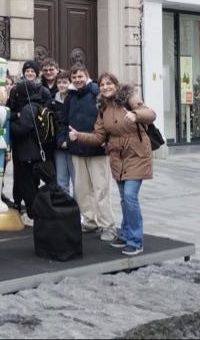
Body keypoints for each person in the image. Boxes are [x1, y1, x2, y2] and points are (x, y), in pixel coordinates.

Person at [69, 73, 155, 256]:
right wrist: (79, 136)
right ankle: (125, 234)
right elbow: (99, 137)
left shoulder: (130, 98)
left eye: (109, 84)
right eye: (102, 84)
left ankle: (135, 241)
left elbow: (151, 114)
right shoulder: (103, 107)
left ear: (116, 85)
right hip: (118, 157)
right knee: (124, 198)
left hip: (136, 155)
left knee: (130, 196)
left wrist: (136, 115)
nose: (105, 87)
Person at [56, 64, 116, 241]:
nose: (77, 80)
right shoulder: (70, 97)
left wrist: (107, 141)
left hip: (98, 150)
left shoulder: (98, 93)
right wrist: (62, 139)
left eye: (80, 76)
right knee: (82, 190)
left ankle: (108, 226)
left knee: (101, 190)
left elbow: (109, 118)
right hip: (77, 150)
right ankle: (89, 221)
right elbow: (63, 121)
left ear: (87, 76)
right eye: (74, 77)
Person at [7, 60, 53, 221]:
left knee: (29, 179)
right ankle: (21, 204)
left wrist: (12, 124)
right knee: (23, 177)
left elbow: (45, 113)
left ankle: (33, 210)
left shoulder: (42, 94)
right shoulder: (18, 92)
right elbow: (10, 110)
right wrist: (17, 115)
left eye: (32, 71)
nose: (30, 74)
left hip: (32, 144)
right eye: (27, 71)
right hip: (25, 145)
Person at [52, 70, 74, 196]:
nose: (62, 85)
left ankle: (78, 206)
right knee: (61, 180)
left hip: (73, 144)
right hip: (59, 145)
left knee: (77, 180)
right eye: (59, 82)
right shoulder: (53, 101)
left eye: (65, 82)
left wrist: (67, 140)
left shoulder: (74, 99)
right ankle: (65, 204)